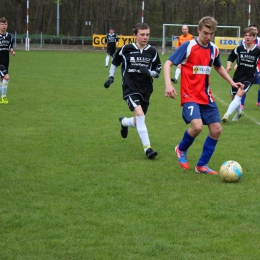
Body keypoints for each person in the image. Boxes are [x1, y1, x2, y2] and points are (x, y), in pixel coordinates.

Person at [164, 16, 244, 174]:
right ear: (198, 30)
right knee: (197, 126)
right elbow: (168, 63)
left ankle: (201, 165)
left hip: (206, 96)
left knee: (216, 130)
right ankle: (181, 149)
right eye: (205, 33)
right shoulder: (188, 46)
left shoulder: (214, 49)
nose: (208, 37)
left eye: (211, 34)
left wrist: (232, 83)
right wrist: (168, 84)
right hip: (189, 95)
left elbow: (219, 67)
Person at [104, 22, 161, 159]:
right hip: (130, 87)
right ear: (135, 35)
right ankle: (148, 149)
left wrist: (149, 72)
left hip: (146, 89)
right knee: (140, 115)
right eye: (142, 35)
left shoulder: (152, 51)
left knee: (137, 121)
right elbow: (115, 62)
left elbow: (157, 71)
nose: (145, 37)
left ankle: (124, 122)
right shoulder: (126, 49)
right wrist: (111, 77)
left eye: (147, 34)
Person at [222, 27, 260, 122]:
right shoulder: (239, 48)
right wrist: (228, 66)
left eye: (250, 36)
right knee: (233, 97)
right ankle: (239, 112)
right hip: (237, 77)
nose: (247, 37)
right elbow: (231, 58)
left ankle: (226, 115)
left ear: (254, 37)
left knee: (239, 95)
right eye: (246, 35)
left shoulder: (257, 50)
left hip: (249, 77)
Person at [238, 24, 260, 110]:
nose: (253, 31)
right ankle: (241, 104)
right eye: (251, 29)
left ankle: (259, 101)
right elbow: (240, 55)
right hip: (246, 66)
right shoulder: (243, 41)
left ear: (257, 31)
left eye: (254, 29)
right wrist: (237, 64)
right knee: (244, 84)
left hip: (258, 66)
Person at [0, 17, 15, 104]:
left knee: (1, 80)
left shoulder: (9, 36)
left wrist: (12, 51)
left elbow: (10, 47)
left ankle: (1, 97)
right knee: (6, 77)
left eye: (5, 24)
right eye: (2, 24)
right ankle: (4, 97)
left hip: (6, 61)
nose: (4, 26)